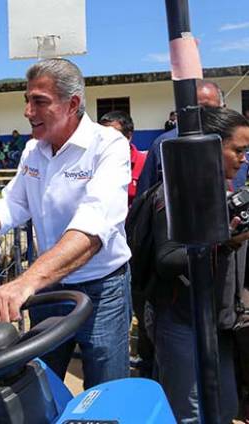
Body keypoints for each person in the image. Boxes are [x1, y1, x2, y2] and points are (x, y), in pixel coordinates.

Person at [0, 58, 132, 390]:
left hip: (101, 289)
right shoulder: (33, 150)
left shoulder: (109, 146)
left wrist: (24, 283)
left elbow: (93, 228)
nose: (28, 111)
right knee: (44, 380)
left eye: (39, 101)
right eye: (26, 101)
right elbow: (14, 204)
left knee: (105, 389)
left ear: (72, 104)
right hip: (49, 288)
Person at [149, 107, 249, 423]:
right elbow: (167, 259)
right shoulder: (175, 194)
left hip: (220, 323)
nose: (244, 159)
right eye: (239, 150)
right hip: (182, 323)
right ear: (210, 147)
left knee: (225, 408)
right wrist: (222, 242)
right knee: (188, 414)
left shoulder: (227, 191)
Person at [136, 80, 226, 196]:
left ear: (223, 108)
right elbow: (145, 196)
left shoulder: (233, 139)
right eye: (196, 109)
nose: (202, 115)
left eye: (209, 109)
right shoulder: (165, 144)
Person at [99, 111, 146, 206]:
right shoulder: (93, 163)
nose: (106, 141)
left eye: (113, 136)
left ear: (128, 136)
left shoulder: (145, 163)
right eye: (102, 136)